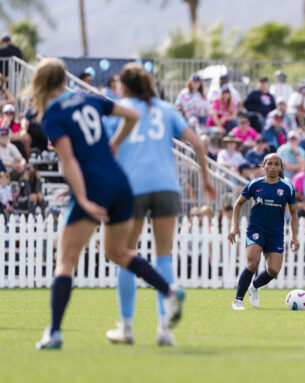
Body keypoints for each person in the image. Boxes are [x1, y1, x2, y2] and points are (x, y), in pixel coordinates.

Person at [29, 58, 185, 350]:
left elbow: (69, 159)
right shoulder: (89, 97)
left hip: (94, 185)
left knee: (65, 260)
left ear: (40, 83)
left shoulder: (51, 115)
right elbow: (132, 116)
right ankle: (169, 290)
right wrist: (113, 144)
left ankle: (54, 333)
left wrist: (83, 197)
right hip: (120, 182)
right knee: (118, 252)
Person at [103, 63, 215, 346]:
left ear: (123, 86)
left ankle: (126, 328)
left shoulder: (119, 107)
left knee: (126, 254)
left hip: (132, 187)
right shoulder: (167, 109)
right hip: (167, 186)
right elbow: (198, 145)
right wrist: (206, 179)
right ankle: (164, 331)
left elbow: (108, 149)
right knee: (164, 255)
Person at [228, 153, 299, 310]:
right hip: (256, 229)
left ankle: (254, 287)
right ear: (264, 166)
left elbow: (294, 213)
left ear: (281, 167)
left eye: (276, 164)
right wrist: (234, 225)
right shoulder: (255, 184)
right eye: (269, 163)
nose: (273, 167)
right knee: (252, 263)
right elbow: (238, 204)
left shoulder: (287, 187)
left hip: (276, 233)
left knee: (273, 270)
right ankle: (238, 301)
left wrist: (294, 236)